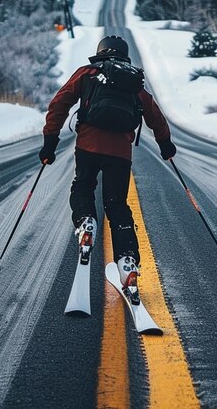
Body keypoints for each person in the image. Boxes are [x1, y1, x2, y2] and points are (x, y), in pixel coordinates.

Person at [39, 35, 176, 301]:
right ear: (125, 55)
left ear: (99, 52)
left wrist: (50, 141)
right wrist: (165, 144)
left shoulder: (88, 73)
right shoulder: (133, 81)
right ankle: (127, 264)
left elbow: (60, 103)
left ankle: (86, 221)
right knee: (117, 206)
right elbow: (154, 114)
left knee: (82, 186)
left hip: (88, 146)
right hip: (120, 154)